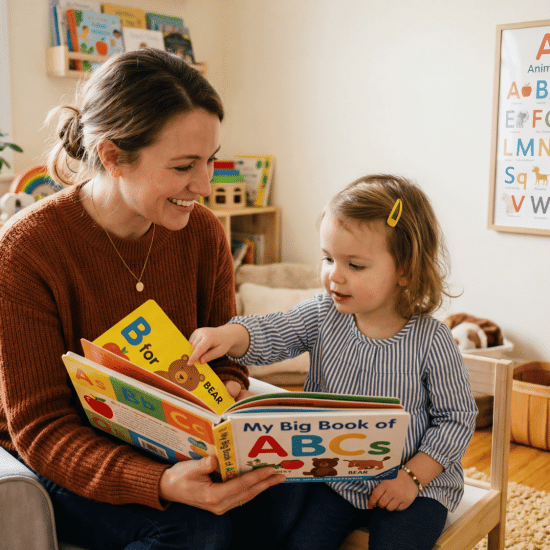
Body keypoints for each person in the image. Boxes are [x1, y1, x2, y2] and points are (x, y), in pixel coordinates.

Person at [0, 48, 308, 550]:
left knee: (285, 492)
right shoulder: (26, 250)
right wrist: (159, 483)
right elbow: (41, 428)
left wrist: (225, 393)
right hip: (71, 453)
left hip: (174, 438)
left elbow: (226, 357)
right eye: (185, 166)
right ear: (112, 155)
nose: (204, 185)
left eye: (210, 160)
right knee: (195, 529)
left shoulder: (202, 233)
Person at [188, 174, 479, 550]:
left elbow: (456, 419)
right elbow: (274, 331)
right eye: (328, 258)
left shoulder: (432, 340)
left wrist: (412, 477)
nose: (333, 275)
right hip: (337, 477)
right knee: (302, 543)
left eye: (355, 265)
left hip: (417, 484)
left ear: (404, 270)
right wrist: (230, 335)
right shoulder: (323, 313)